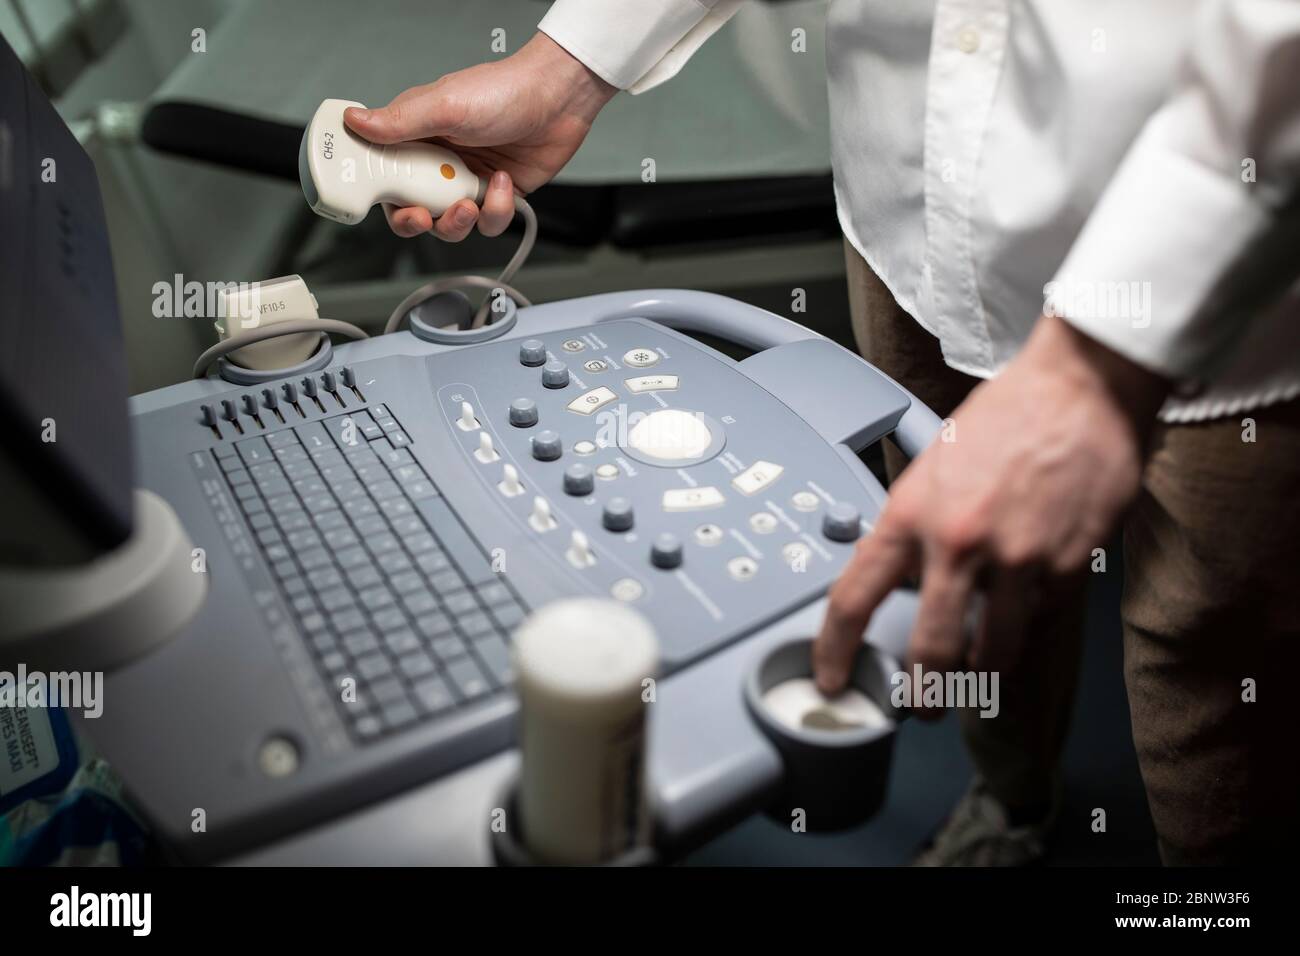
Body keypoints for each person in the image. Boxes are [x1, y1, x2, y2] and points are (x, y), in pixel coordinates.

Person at [343, 1, 1300, 865]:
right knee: (967, 576)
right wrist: (569, 68)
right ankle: (1010, 801)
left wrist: (1100, 364)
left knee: (1208, 664)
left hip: (1229, 256)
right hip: (915, 195)